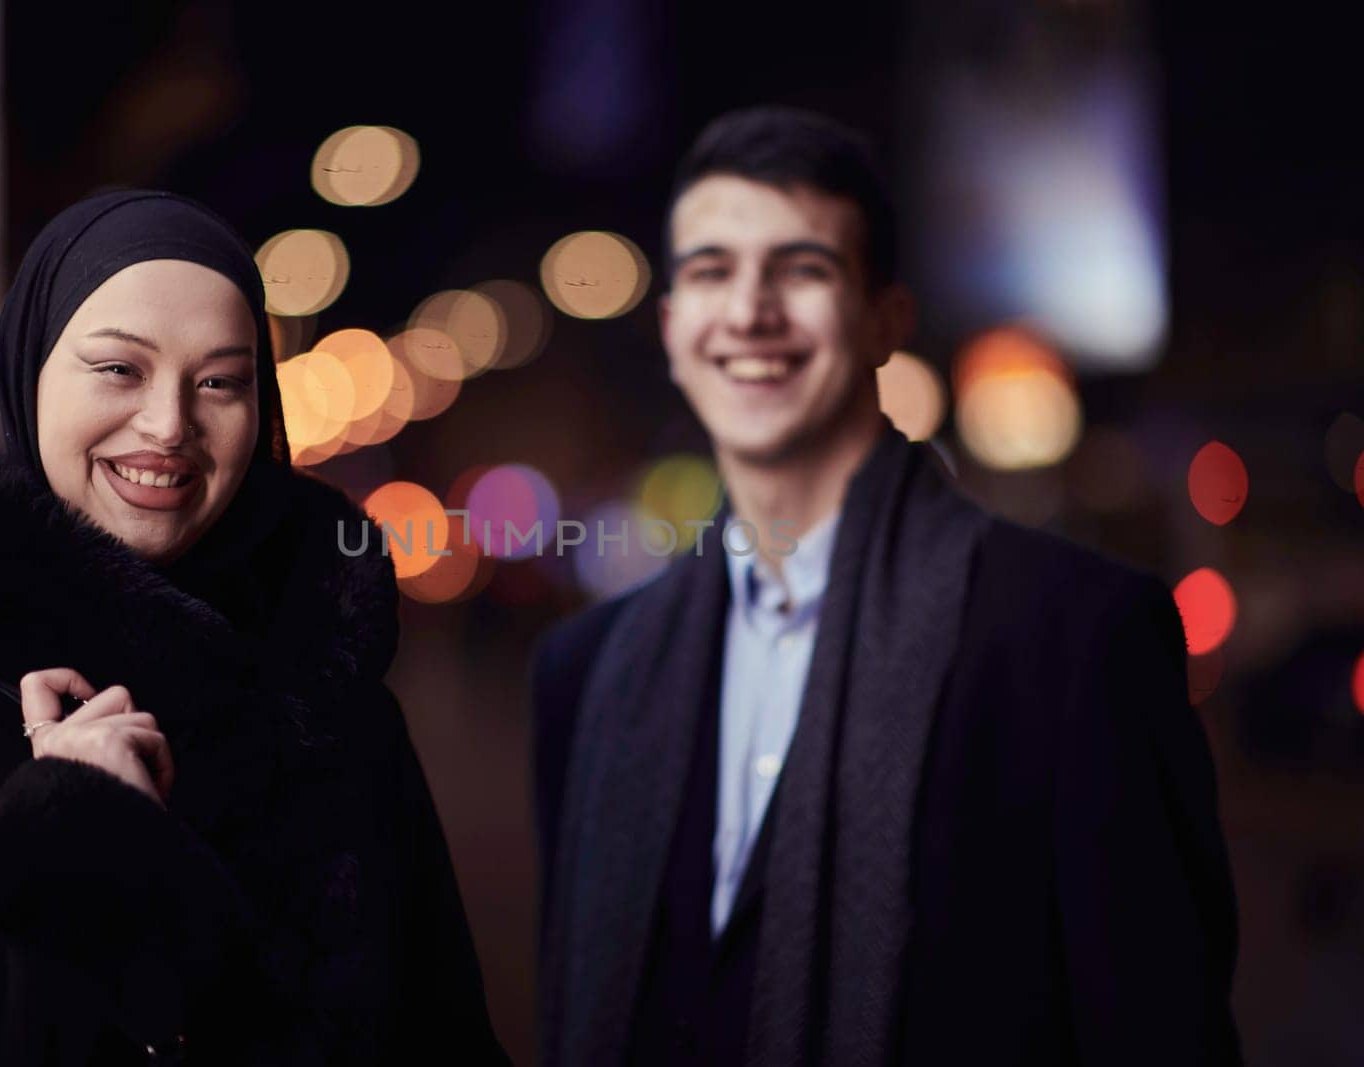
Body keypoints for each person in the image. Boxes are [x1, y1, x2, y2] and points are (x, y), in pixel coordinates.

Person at [532, 107, 1241, 1066]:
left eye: (802, 268)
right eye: (710, 271)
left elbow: (1165, 1036)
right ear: (671, 328)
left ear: (884, 321)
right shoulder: (584, 675)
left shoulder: (1076, 638)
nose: (749, 311)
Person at [0, 190, 508, 1065]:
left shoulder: (334, 700)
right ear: (30, 372)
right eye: (119, 369)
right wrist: (74, 831)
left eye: (220, 382)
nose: (169, 426)